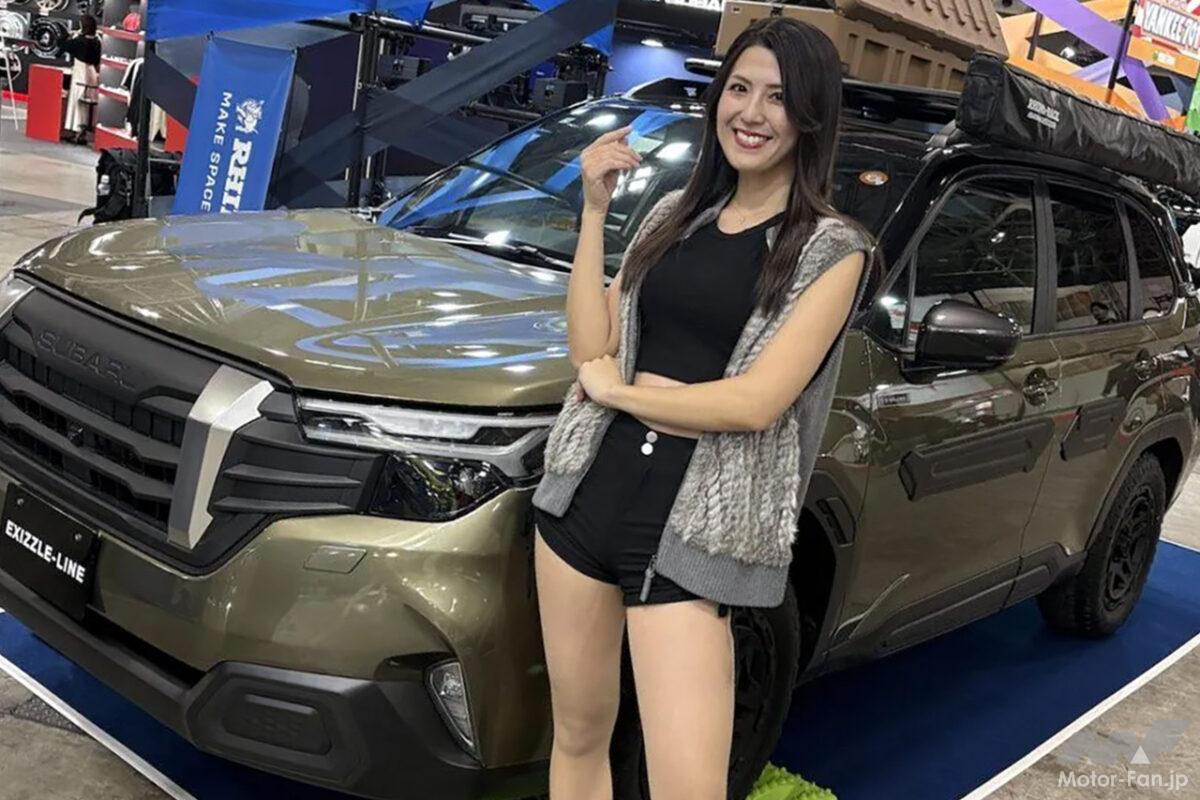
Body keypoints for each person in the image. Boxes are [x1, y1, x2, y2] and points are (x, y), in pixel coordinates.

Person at [529, 15, 873, 800]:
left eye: (777, 97)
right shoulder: (670, 216)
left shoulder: (832, 249)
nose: (751, 113)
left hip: (693, 528)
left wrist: (621, 392)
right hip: (586, 495)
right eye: (739, 89)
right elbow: (592, 344)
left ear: (811, 114)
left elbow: (757, 402)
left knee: (689, 785)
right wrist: (593, 213)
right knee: (577, 738)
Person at [59, 14, 101, 145]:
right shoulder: (97, 41)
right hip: (92, 74)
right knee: (85, 104)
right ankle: (81, 133)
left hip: (80, 73)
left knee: (77, 102)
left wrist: (68, 35)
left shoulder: (79, 41)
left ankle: (77, 132)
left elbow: (62, 45)